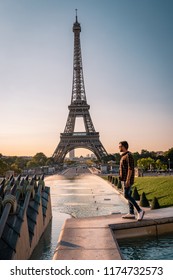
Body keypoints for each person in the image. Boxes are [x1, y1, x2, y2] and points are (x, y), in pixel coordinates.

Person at [119, 141, 145, 221]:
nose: (118, 147)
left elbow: (130, 169)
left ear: (124, 146)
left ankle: (140, 210)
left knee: (126, 195)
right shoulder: (123, 156)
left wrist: (127, 180)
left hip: (127, 180)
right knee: (129, 194)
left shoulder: (128, 155)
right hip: (123, 179)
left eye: (120, 146)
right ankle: (131, 213)